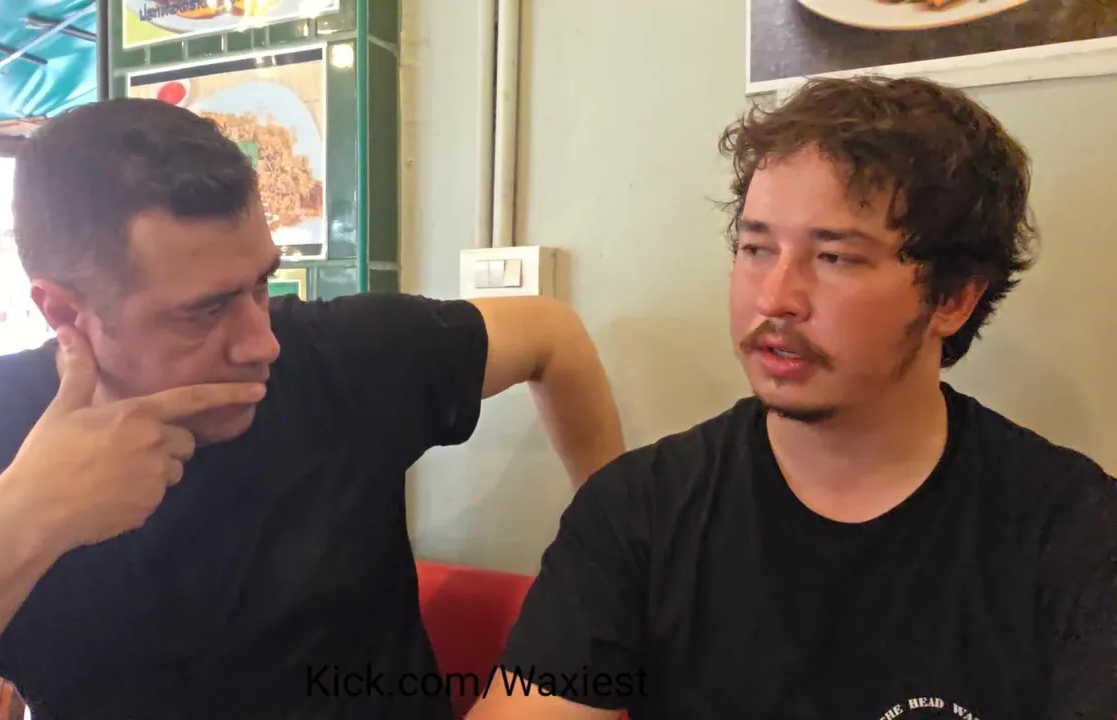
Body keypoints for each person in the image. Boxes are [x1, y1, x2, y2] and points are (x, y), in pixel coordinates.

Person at [0, 98, 625, 720]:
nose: (260, 341)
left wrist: (616, 565)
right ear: (64, 313)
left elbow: (551, 335)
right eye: (206, 310)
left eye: (261, 283)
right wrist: (23, 522)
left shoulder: (337, 356)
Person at [467, 75, 1117, 719]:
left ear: (953, 298)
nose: (775, 297)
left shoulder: (1074, 533)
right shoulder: (639, 511)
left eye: (835, 258)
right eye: (756, 248)